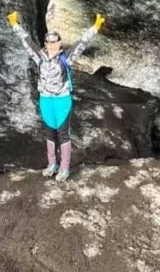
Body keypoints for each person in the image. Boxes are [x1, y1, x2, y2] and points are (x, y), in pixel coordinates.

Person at [7, 11, 105, 181]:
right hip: (45, 100)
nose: (52, 45)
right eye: (49, 42)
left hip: (62, 100)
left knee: (63, 133)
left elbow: (82, 42)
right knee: (49, 132)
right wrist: (15, 25)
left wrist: (95, 27)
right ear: (45, 44)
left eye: (55, 42)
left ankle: (65, 167)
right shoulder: (39, 56)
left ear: (59, 43)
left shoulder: (66, 57)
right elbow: (27, 41)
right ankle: (52, 164)